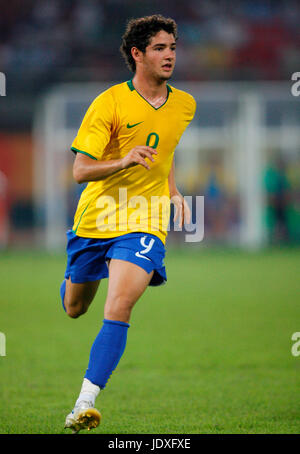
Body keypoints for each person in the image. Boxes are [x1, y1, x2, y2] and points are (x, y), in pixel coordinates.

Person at [62, 14, 196, 433]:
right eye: (159, 48)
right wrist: (123, 159)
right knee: (74, 307)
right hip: (97, 216)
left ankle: (84, 403)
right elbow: (80, 171)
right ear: (137, 54)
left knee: (119, 305)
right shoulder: (109, 103)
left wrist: (172, 192)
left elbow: (165, 152)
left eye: (172, 47)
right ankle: (73, 278)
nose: (169, 54)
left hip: (146, 220)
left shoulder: (185, 104)